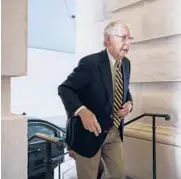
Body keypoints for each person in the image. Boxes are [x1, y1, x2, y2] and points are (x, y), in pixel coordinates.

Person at [58, 20, 133, 179]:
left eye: (130, 39)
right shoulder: (90, 63)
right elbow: (65, 89)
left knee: (119, 174)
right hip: (88, 135)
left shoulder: (126, 64)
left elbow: (125, 90)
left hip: (113, 132)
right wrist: (82, 111)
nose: (128, 43)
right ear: (108, 40)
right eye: (123, 38)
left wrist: (130, 104)